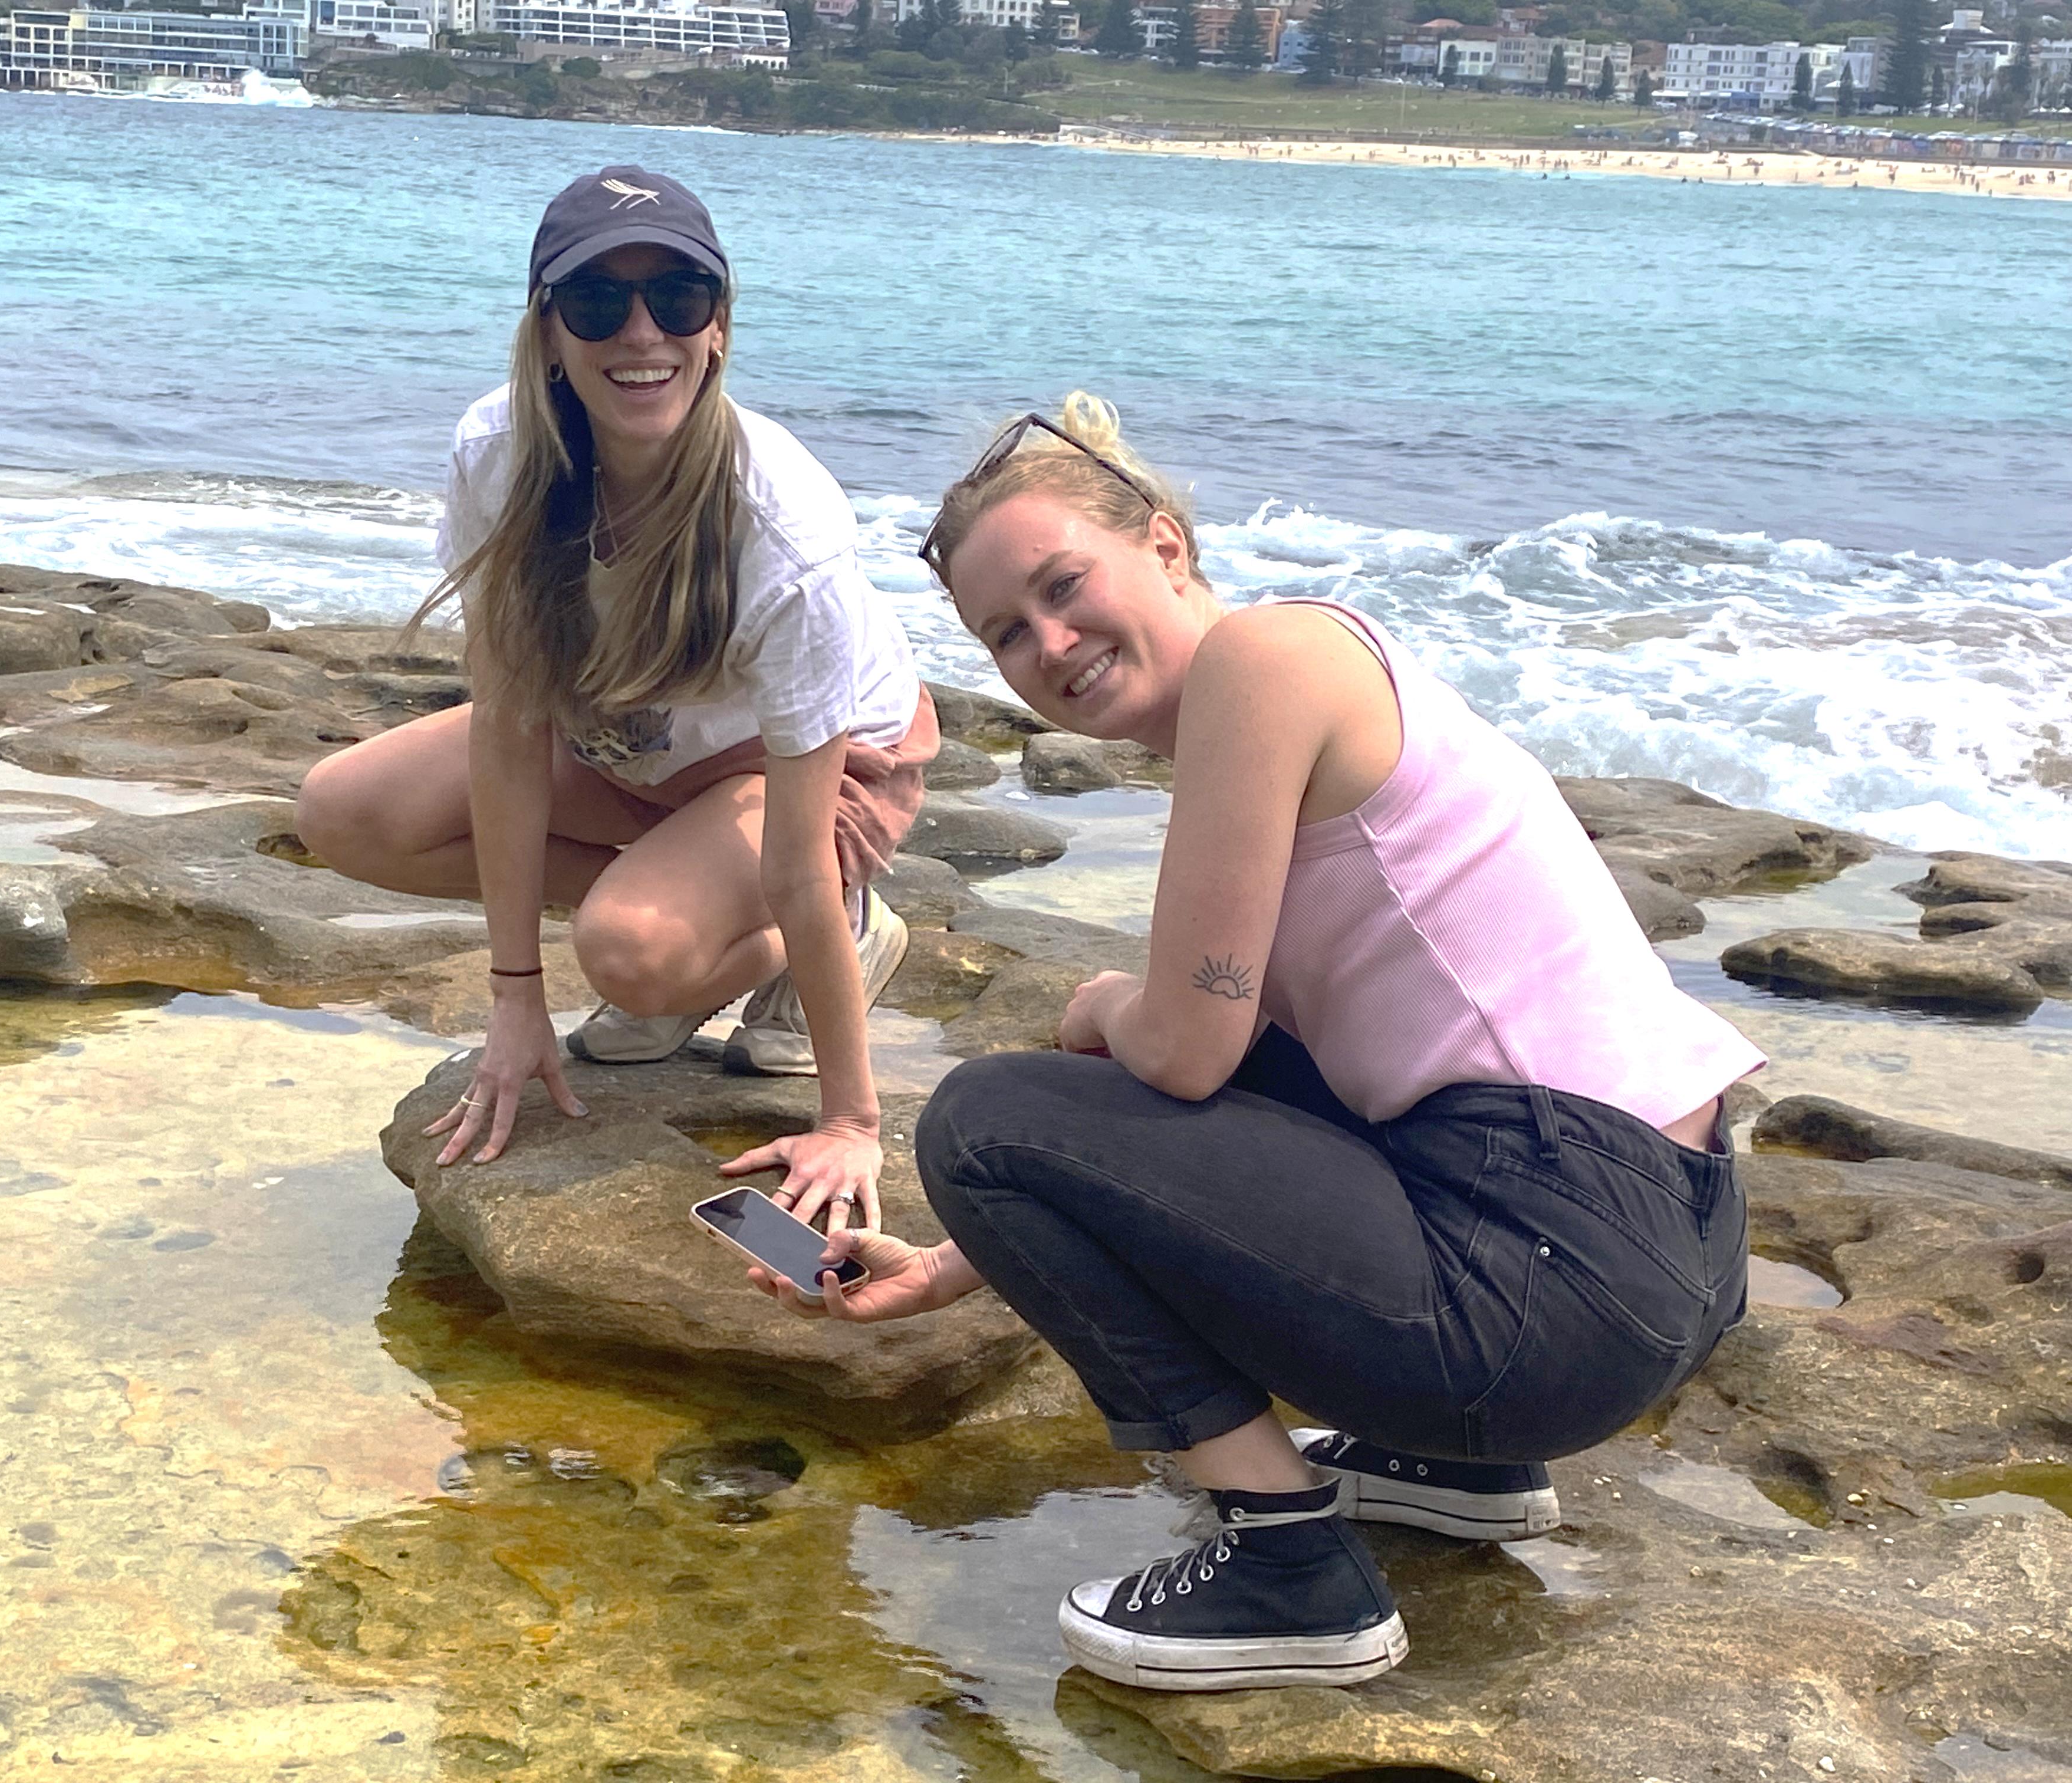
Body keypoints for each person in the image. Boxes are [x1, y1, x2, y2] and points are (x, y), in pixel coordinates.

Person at [749, 394, 1762, 1690]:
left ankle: (1287, 1566)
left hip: (1551, 1275)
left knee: (984, 1116)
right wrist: (951, 1267)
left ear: (1166, 547)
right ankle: (1465, 1471)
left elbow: (1177, 1054)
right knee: (1161, 1082)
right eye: (1004, 634)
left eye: (1066, 587)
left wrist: (1099, 1007)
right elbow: (1230, 1125)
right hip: (1657, 1259)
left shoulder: (1266, 662)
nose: (1048, 645)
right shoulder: (1323, 680)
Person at [297, 166, 935, 1233]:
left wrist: (852, 1119)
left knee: (632, 954)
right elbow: (507, 726)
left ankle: (835, 936)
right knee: (342, 812)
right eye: (598, 302)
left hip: (808, 770)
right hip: (623, 754)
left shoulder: (781, 525)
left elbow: (789, 846)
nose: (642, 334)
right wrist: (515, 1001)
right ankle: (681, 917)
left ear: (720, 325)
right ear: (548, 331)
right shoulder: (496, 455)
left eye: (677, 299)